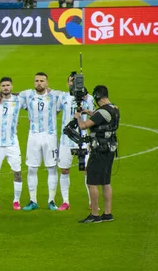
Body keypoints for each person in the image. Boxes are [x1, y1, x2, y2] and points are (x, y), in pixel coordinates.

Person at [74, 85, 120, 223]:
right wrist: (89, 112)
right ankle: (107, 214)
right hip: (110, 149)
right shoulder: (114, 109)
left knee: (92, 182)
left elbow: (83, 126)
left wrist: (78, 118)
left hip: (99, 150)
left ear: (98, 96)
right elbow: (102, 117)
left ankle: (94, 215)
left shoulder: (101, 112)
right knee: (106, 182)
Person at [19, 72, 64, 211]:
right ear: (34, 83)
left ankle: (51, 201)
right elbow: (9, 95)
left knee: (52, 168)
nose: (39, 83)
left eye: (42, 81)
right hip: (33, 137)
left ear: (47, 83)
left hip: (50, 136)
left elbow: (71, 98)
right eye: (37, 81)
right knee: (32, 169)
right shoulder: (27, 95)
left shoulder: (55, 95)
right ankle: (33, 200)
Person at [56, 73, 94, 211]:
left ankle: (92, 201)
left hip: (83, 139)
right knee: (64, 170)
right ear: (67, 83)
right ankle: (65, 201)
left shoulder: (88, 98)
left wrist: (85, 102)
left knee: (86, 170)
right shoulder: (62, 97)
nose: (74, 83)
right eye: (72, 81)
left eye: (77, 81)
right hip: (66, 140)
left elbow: (94, 115)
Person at [0, 77, 24, 211]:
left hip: (12, 143)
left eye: (8, 85)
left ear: (12, 87)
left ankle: (16, 201)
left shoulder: (19, 100)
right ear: (0, 87)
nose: (5, 88)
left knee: (17, 171)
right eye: (3, 86)